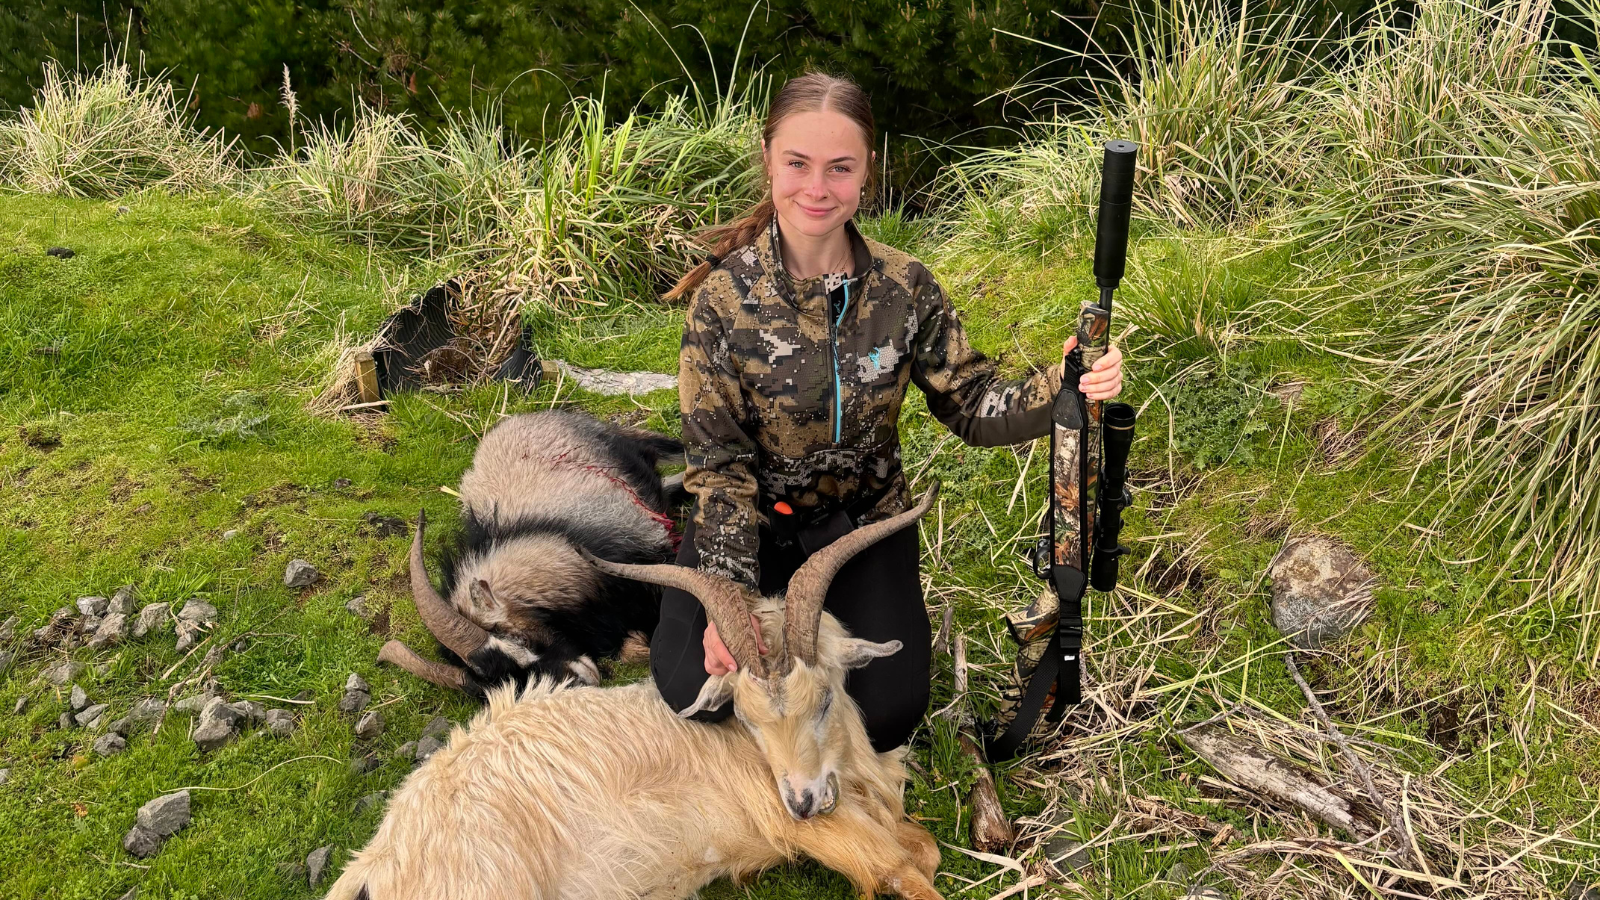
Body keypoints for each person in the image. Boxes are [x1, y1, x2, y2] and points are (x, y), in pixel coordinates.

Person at [651, 72, 1124, 752]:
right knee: (691, 694)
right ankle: (675, 609)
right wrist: (729, 606)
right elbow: (719, 470)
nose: (818, 188)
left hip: (863, 528)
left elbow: (974, 403)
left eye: (840, 168)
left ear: (867, 170)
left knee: (887, 712)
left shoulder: (906, 287)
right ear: (767, 160)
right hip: (747, 529)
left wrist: (1067, 383)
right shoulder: (723, 301)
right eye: (798, 165)